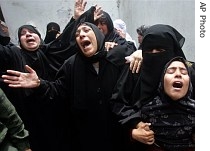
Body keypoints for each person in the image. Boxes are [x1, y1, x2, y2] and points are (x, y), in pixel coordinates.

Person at [2, 22, 136, 151]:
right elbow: (58, 90)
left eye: (86, 30)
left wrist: (140, 54)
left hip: (120, 132)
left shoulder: (117, 56)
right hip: (88, 136)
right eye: (77, 34)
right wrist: (39, 84)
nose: (82, 35)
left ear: (98, 35)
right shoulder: (71, 65)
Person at [109, 24, 195, 150]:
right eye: (149, 50)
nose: (154, 54)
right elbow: (118, 103)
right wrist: (135, 125)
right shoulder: (135, 69)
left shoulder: (187, 72)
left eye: (160, 50)